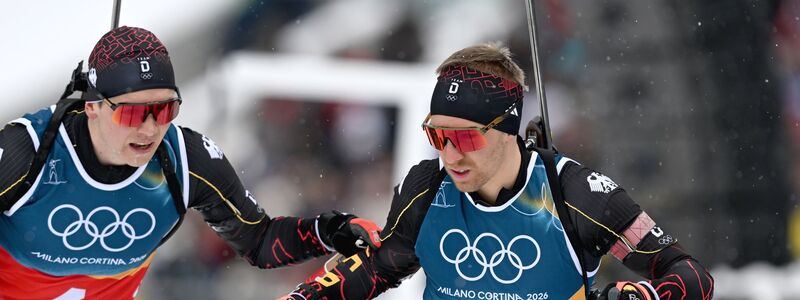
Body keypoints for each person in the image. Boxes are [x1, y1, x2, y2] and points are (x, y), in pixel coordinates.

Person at [282, 43, 714, 300]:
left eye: (466, 139)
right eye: (437, 137)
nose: (449, 156)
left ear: (506, 130)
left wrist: (644, 296)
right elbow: (376, 268)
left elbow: (691, 277)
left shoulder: (575, 194)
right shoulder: (426, 189)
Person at [0, 26, 382, 299]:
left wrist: (329, 230)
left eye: (165, 109)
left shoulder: (184, 160)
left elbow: (259, 240)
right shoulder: (30, 151)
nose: (151, 130)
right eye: (133, 114)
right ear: (92, 107)